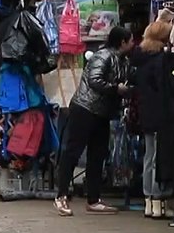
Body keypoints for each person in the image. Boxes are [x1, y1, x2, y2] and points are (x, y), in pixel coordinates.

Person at [54, 25, 134, 216]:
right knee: (73, 152)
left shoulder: (123, 60)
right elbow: (94, 80)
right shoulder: (103, 56)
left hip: (102, 112)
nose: (133, 44)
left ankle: (94, 199)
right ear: (122, 42)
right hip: (85, 108)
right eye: (131, 40)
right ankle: (61, 195)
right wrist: (116, 89)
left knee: (97, 154)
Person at [130, 18, 173, 219]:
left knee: (149, 156)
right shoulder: (160, 61)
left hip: (145, 112)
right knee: (157, 156)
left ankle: (149, 199)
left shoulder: (141, 60)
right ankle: (157, 198)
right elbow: (163, 89)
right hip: (160, 112)